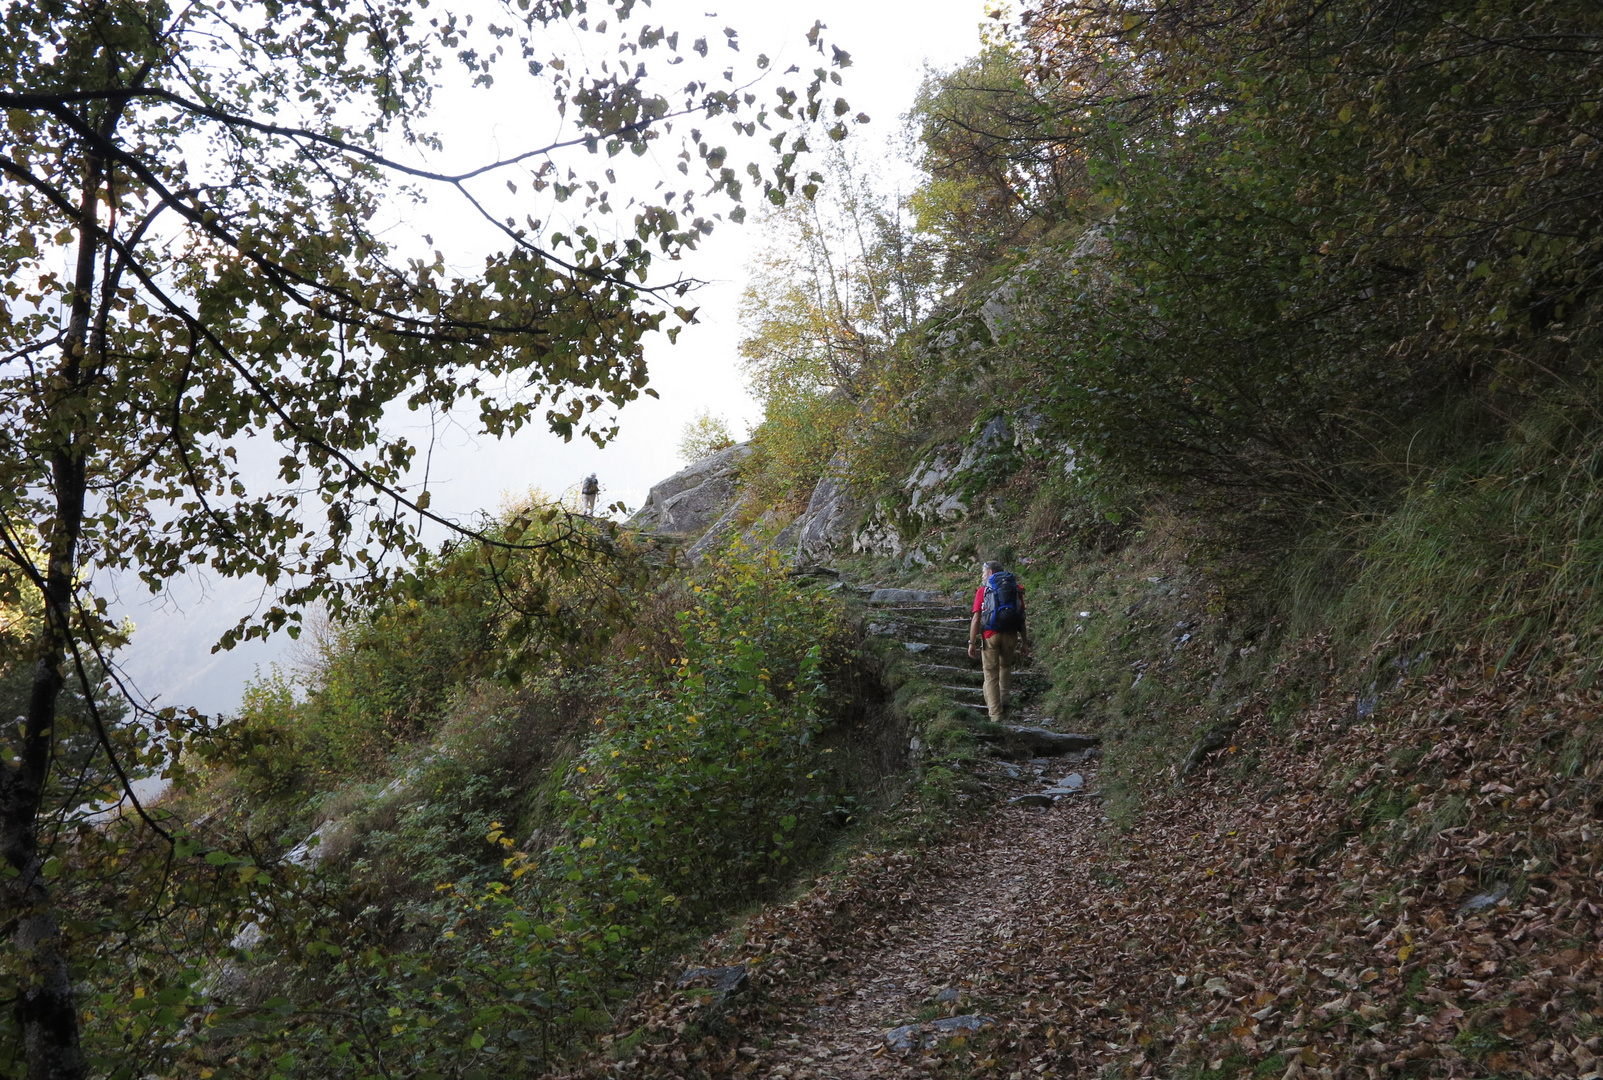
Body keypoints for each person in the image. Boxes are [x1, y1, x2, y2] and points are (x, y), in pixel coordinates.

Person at [967, 560, 1028, 723]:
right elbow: (1021, 617)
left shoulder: (983, 591)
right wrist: (1025, 642)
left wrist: (971, 642)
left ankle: (995, 715)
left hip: (990, 635)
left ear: (991, 573)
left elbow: (976, 618)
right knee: (1005, 667)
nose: (982, 575)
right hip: (1011, 634)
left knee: (990, 674)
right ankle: (1005, 701)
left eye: (983, 572)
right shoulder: (1015, 590)